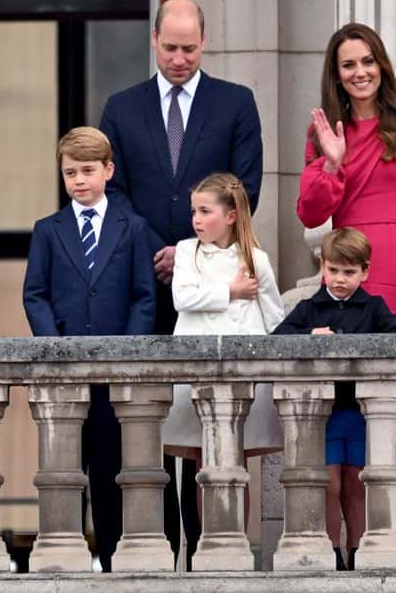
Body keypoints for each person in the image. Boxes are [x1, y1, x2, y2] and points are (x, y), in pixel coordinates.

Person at [99, 0, 263, 565]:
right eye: (170, 48)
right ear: (153, 41)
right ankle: (156, 547)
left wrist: (194, 252)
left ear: (204, 42)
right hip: (144, 286)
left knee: (212, 426)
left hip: (216, 288)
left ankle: (214, 549)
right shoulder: (122, 108)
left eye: (190, 48)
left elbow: (246, 187)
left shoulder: (235, 103)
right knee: (146, 419)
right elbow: (109, 192)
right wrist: (159, 251)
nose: (179, 58)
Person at [297, 23, 396, 482]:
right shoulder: (324, 130)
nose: (360, 71)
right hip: (345, 269)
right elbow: (310, 214)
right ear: (337, 73)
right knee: (350, 400)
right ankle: (351, 544)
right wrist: (332, 160)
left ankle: (394, 539)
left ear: (381, 66)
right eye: (349, 64)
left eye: (368, 61)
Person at [23, 126, 156, 572]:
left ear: (108, 171)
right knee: (63, 469)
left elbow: (143, 295)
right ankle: (67, 556)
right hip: (64, 373)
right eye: (70, 173)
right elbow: (35, 294)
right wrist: (55, 350)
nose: (79, 180)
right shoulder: (48, 230)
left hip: (114, 374)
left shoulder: (133, 228)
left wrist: (127, 352)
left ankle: (114, 558)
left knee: (109, 466)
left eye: (87, 171)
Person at [273, 227, 396, 570]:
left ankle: (357, 550)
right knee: (328, 483)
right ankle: (331, 550)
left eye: (349, 272)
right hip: (324, 413)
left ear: (365, 272)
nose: (339, 279)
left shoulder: (373, 307)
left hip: (360, 412)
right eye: (333, 270)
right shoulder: (309, 307)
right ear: (322, 267)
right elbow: (277, 339)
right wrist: (310, 335)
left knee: (357, 483)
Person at [165, 173, 284, 530]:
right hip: (195, 368)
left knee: (236, 463)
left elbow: (274, 317)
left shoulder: (256, 259)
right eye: (194, 211)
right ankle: (208, 544)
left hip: (243, 371)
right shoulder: (187, 251)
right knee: (204, 462)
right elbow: (181, 298)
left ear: (230, 215)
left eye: (205, 211)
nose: (196, 219)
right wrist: (229, 291)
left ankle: (236, 544)